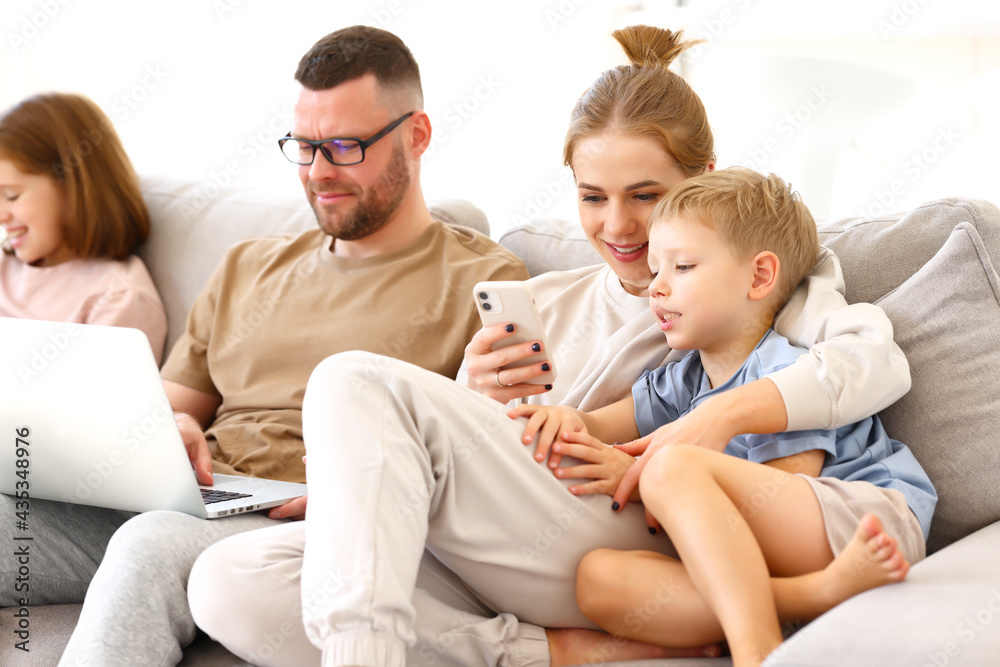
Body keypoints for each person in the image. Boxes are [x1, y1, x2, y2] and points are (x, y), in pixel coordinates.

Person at [186, 26, 915, 667]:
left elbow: (869, 364)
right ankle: (540, 653)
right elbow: (499, 456)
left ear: (703, 181)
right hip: (514, 534)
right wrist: (453, 407)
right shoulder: (545, 296)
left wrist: (713, 420)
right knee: (228, 581)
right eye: (593, 196)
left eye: (646, 194)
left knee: (349, 379)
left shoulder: (760, 285)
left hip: (643, 531)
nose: (619, 226)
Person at [11, 25, 528, 667]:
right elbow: (171, 406)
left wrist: (355, 490)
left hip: (297, 523)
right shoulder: (246, 267)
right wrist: (168, 432)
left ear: (416, 135)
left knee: (147, 546)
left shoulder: (485, 282)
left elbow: (488, 458)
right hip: (197, 495)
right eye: (304, 147)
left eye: (344, 146)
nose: (318, 173)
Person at [513, 167, 936, 667]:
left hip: (863, 519)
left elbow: (782, 484)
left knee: (672, 465)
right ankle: (810, 596)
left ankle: (757, 650)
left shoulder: (785, 367)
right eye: (655, 270)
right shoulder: (684, 377)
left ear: (759, 276)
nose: (657, 289)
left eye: (683, 267)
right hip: (808, 559)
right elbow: (600, 424)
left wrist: (636, 475)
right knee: (597, 579)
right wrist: (564, 419)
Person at [0, 92, 167, 362]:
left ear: (73, 187)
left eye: (11, 196)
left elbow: (105, 399)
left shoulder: (116, 295)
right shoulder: (5, 268)